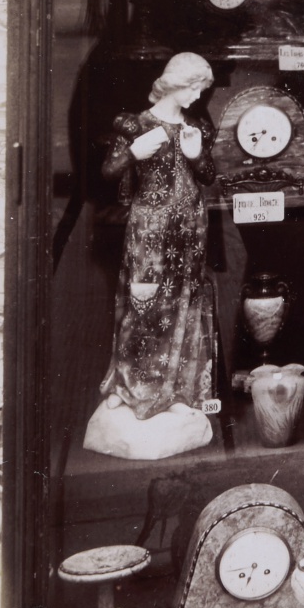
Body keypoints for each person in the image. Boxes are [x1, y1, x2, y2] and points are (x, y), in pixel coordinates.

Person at [85, 52, 218, 457]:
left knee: (183, 305)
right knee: (142, 306)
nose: (197, 96)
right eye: (193, 87)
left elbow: (208, 176)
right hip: (150, 228)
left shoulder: (195, 126)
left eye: (201, 89)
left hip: (190, 227)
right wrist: (134, 152)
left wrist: (196, 155)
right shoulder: (135, 124)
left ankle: (175, 390)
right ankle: (128, 387)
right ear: (175, 83)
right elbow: (108, 172)